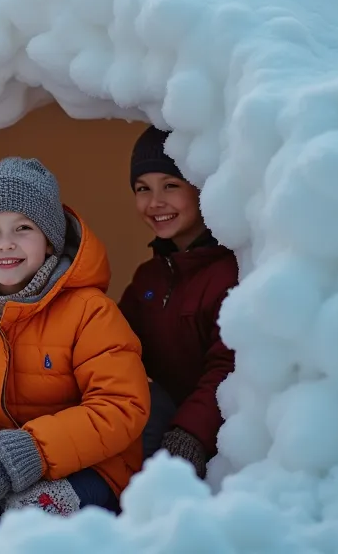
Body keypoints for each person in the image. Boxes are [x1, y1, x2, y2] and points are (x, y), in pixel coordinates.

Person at [0, 157, 151, 517]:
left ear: (50, 242)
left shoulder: (90, 311)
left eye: (22, 228)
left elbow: (121, 405)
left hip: (94, 468)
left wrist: (26, 453)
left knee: (24, 520)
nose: (5, 244)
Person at [118, 127, 239, 479]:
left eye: (170, 185)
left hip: (214, 439)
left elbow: (229, 366)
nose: (154, 202)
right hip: (165, 426)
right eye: (143, 189)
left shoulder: (229, 270)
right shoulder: (150, 278)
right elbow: (114, 345)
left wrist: (189, 435)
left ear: (202, 188)